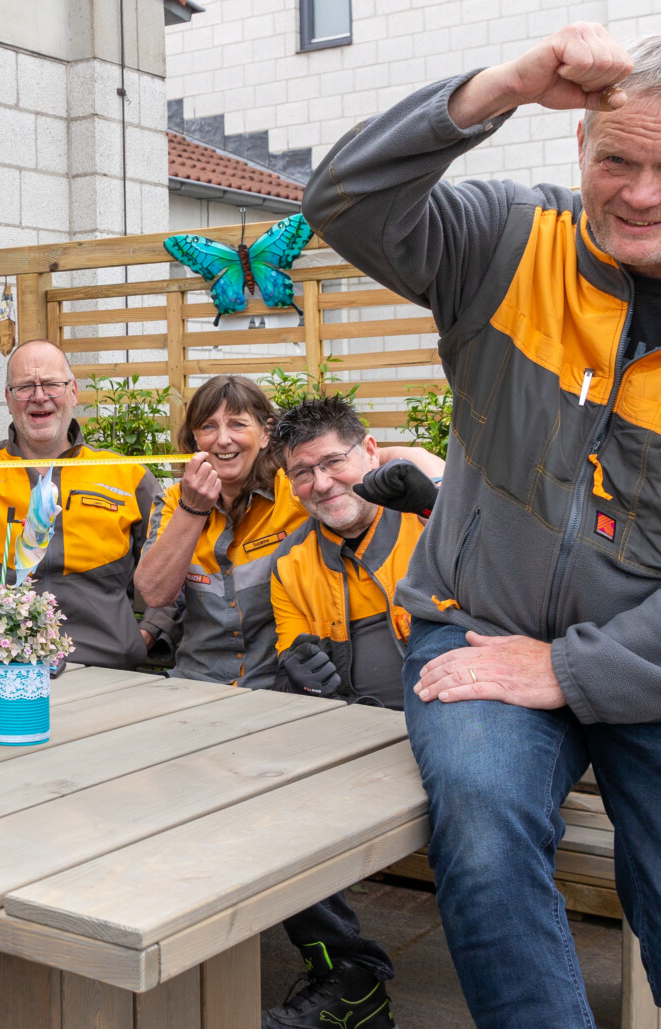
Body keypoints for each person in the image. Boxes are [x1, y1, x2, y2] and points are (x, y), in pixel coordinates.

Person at [305, 25, 661, 1027]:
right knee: (483, 841)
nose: (640, 193)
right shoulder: (507, 243)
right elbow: (342, 200)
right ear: (579, 145)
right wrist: (503, 84)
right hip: (479, 630)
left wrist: (572, 669)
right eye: (615, 160)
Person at [256, 395, 432, 1029]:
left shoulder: (430, 524)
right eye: (302, 472)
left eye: (333, 462)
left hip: (451, 736)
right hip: (355, 752)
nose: (321, 483)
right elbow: (290, 651)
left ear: (371, 452)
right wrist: (298, 672)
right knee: (263, 802)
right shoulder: (291, 563)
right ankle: (346, 976)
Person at [135, 376, 443, 689]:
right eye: (208, 427)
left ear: (266, 434)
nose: (223, 439)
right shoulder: (177, 501)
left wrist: (431, 482)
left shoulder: (298, 487)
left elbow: (357, 460)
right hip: (193, 680)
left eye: (238, 424)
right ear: (194, 438)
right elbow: (155, 594)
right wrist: (192, 510)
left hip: (274, 687)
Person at [0, 339, 174, 667]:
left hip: (102, 666)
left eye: (52, 384)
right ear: (8, 400)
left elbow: (173, 559)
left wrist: (151, 630)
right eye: (24, 387)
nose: (39, 396)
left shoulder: (126, 475)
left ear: (73, 392)